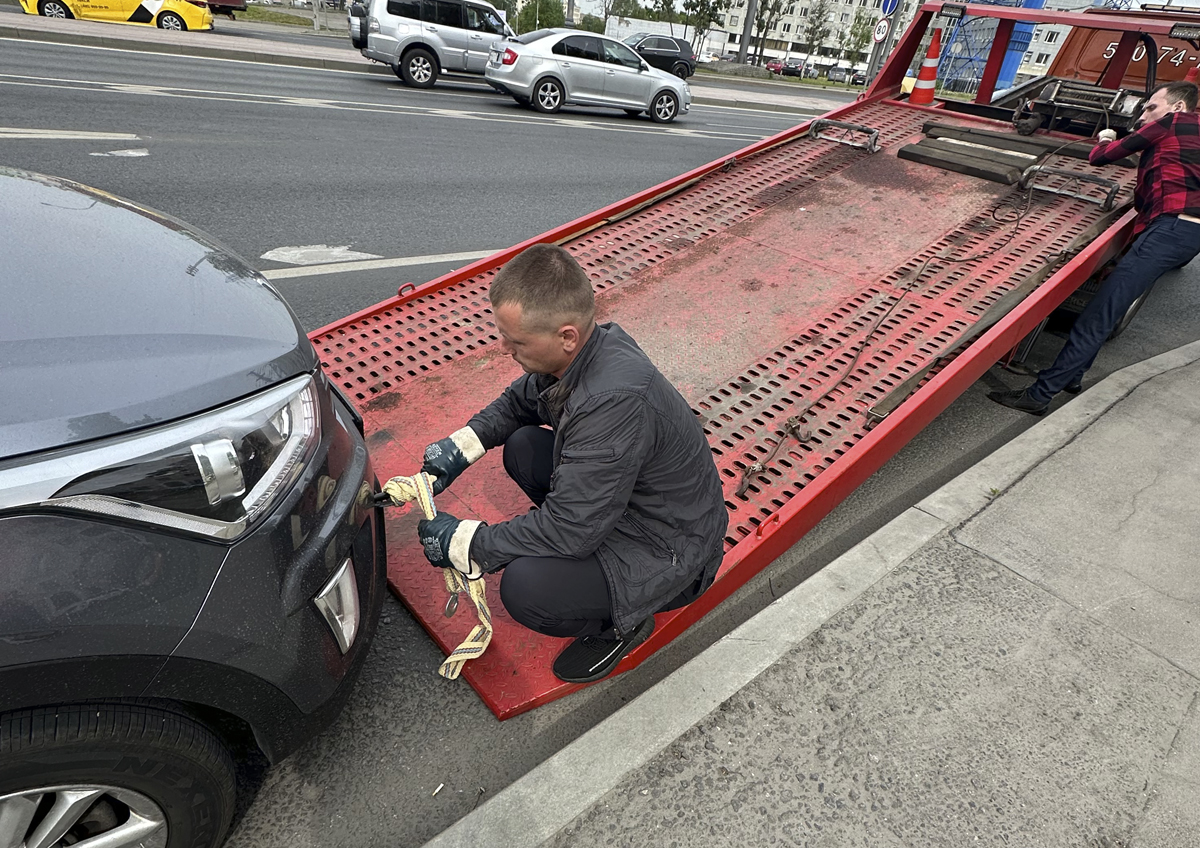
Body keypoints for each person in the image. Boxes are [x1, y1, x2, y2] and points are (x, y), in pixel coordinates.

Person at [414, 244, 728, 684]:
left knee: (525, 588)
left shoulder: (612, 402)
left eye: (517, 341)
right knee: (523, 445)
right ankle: (584, 564)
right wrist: (460, 446)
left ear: (566, 336)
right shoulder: (588, 351)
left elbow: (571, 529)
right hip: (629, 510)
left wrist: (468, 544)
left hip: (672, 552)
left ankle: (623, 622)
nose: (505, 348)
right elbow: (517, 404)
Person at [990, 80, 1200, 415]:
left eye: (1151, 107)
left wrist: (1105, 138)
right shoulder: (1189, 134)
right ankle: (1074, 376)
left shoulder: (1171, 123)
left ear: (1176, 107)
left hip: (1171, 228)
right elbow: (1150, 192)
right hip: (1184, 232)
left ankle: (1040, 395)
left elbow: (1102, 157)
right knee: (1111, 303)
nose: (1145, 116)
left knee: (1098, 315)